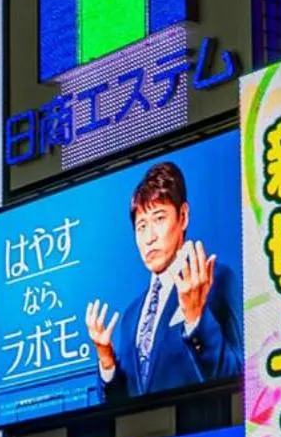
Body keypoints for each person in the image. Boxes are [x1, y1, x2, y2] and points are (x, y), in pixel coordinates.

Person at [85, 161, 241, 401]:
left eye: (159, 219)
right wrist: (106, 360)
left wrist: (195, 319)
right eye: (141, 226)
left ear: (183, 216)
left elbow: (239, 379)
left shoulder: (215, 280)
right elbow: (118, 409)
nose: (149, 237)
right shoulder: (130, 317)